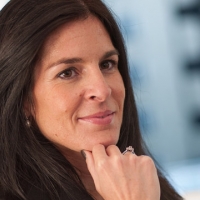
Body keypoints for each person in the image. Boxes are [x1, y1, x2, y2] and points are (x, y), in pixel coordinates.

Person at [0, 0, 183, 200]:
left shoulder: (147, 183)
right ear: (22, 100)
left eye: (107, 64)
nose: (102, 90)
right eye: (67, 73)